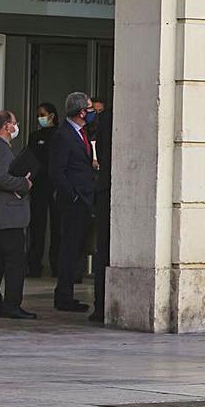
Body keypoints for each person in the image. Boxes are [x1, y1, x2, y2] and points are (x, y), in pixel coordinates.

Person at [48, 92, 97, 313]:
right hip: (73, 203)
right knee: (69, 249)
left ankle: (67, 294)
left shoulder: (81, 133)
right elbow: (56, 172)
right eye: (89, 108)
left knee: (76, 249)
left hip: (85, 200)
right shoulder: (64, 135)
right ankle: (64, 296)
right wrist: (73, 195)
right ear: (81, 112)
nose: (93, 111)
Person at [0, 111, 34, 319]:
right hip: (7, 216)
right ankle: (12, 305)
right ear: (7, 126)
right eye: (14, 123)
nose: (16, 127)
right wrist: (23, 183)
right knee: (15, 262)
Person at [25, 103, 60, 278]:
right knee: (37, 226)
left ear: (52, 116)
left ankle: (56, 265)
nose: (40, 118)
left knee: (57, 227)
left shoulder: (59, 135)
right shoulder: (35, 136)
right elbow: (30, 158)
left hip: (54, 185)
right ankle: (34, 265)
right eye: (39, 114)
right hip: (38, 185)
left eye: (43, 114)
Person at [90, 108, 113, 323]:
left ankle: (101, 305)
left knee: (103, 251)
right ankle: (102, 305)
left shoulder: (107, 117)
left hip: (106, 188)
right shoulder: (114, 116)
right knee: (105, 250)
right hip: (110, 189)